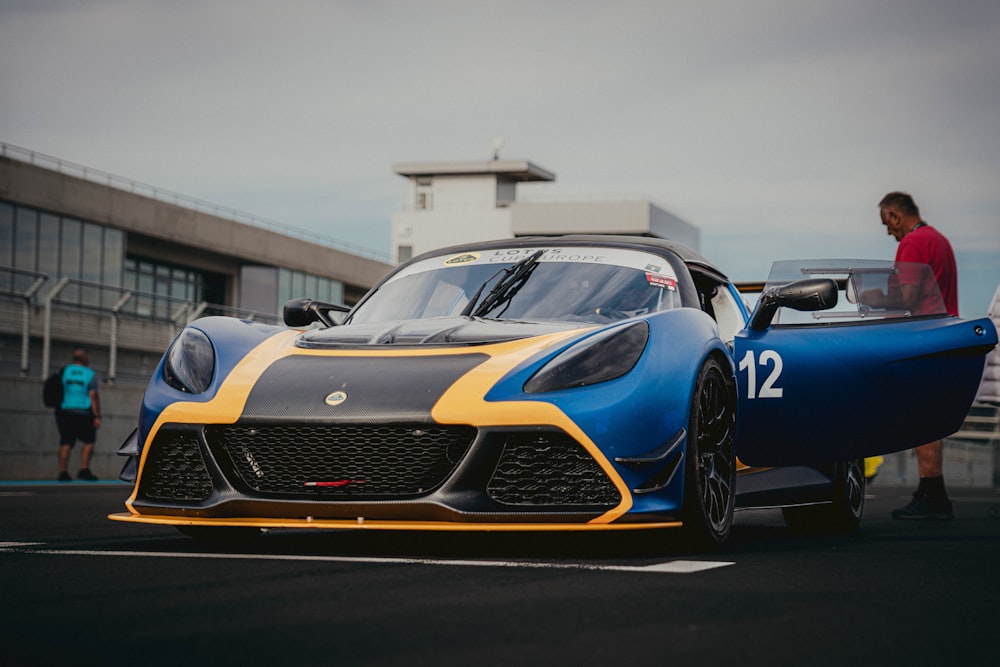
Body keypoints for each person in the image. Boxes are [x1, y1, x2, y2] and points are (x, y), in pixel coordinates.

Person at [875, 192, 958, 520]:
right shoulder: (940, 240)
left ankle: (932, 496)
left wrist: (873, 298)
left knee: (923, 420)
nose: (888, 232)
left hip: (921, 338)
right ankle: (932, 493)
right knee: (932, 419)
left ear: (896, 216)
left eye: (887, 224)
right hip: (945, 334)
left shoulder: (912, 243)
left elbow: (906, 298)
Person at [56, 348, 101, 481]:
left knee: (66, 442)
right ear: (85, 359)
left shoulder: (65, 371)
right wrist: (97, 415)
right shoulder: (89, 373)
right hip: (84, 412)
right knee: (89, 442)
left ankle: (63, 472)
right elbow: (93, 396)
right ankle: (84, 469)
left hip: (66, 411)